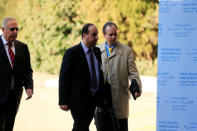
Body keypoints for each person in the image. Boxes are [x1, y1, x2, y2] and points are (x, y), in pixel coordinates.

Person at [94, 22, 142, 131]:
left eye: (115, 34)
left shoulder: (127, 51)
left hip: (119, 96)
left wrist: (137, 88)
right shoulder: (96, 50)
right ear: (104, 35)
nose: (114, 37)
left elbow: (133, 73)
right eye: (111, 34)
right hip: (102, 97)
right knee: (102, 126)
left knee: (120, 127)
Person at [59, 23, 104, 131]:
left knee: (82, 127)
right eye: (93, 35)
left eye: (97, 34)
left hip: (93, 99)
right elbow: (64, 77)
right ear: (84, 35)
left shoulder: (97, 51)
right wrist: (63, 100)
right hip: (78, 100)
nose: (97, 37)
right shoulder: (72, 52)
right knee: (81, 126)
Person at [0, 17, 33, 131]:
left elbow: (27, 70)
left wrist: (29, 86)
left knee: (9, 126)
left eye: (17, 29)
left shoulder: (22, 47)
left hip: (14, 97)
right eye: (12, 29)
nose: (15, 32)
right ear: (3, 29)